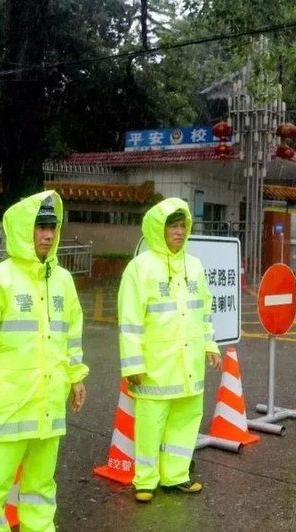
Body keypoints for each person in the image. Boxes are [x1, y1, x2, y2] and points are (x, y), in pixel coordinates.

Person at [0, 191, 88, 532]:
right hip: (9, 403)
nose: (47, 234)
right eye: (39, 226)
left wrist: (76, 377)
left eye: (52, 227)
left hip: (49, 403)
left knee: (42, 485)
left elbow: (72, 335)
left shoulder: (63, 281)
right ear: (21, 229)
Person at [117, 198, 222, 503]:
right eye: (172, 226)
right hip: (155, 367)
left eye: (182, 226)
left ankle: (175, 476)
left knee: (186, 421)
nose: (178, 232)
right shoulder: (140, 268)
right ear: (157, 230)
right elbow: (130, 320)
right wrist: (133, 364)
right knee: (151, 425)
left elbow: (204, 311)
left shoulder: (195, 266)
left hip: (189, 366)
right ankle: (145, 480)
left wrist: (210, 344)